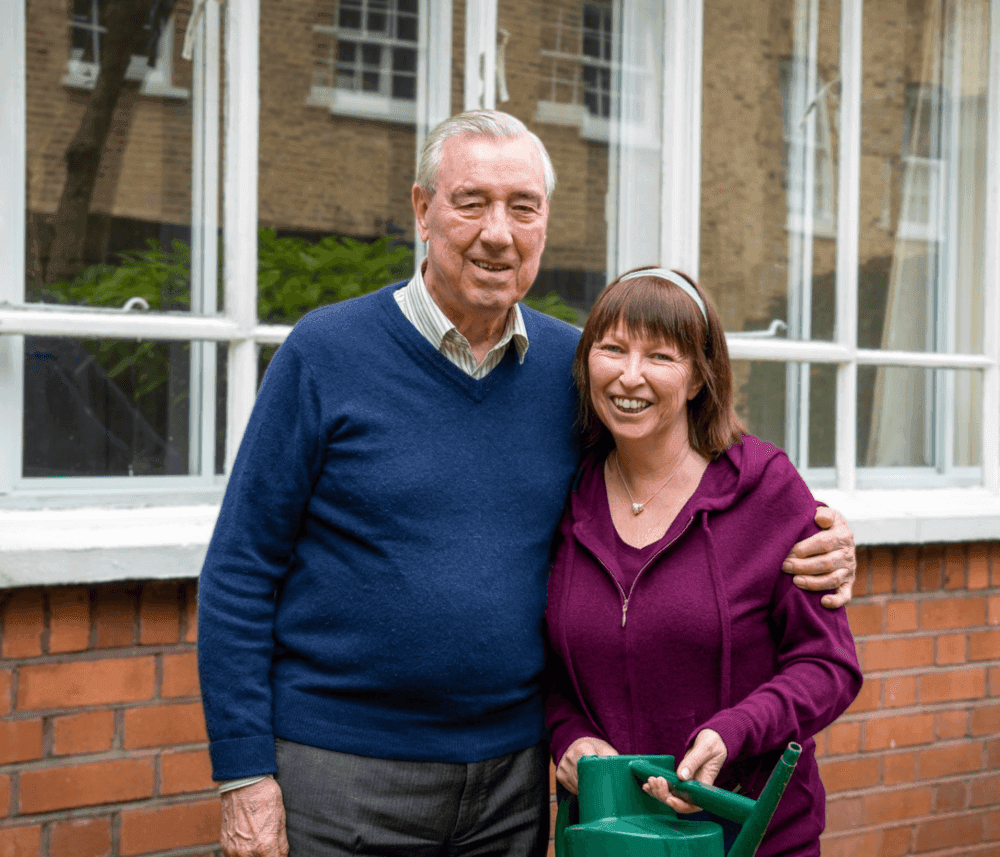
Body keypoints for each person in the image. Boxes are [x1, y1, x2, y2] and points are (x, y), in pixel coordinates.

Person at [197, 112, 857, 857]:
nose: (497, 232)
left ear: (545, 223)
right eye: (470, 201)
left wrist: (823, 534)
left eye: (523, 207)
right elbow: (240, 571)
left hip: (511, 785)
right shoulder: (325, 353)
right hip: (346, 768)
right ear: (421, 210)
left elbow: (689, 479)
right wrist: (243, 773)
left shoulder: (575, 370)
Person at [544, 267, 864, 857]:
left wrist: (733, 734)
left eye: (661, 356)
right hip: (611, 839)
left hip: (750, 841)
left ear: (698, 379)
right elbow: (545, 666)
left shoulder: (766, 492)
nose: (629, 375)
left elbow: (829, 665)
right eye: (611, 349)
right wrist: (566, 735)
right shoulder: (565, 494)